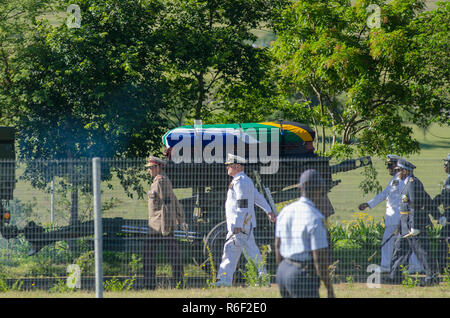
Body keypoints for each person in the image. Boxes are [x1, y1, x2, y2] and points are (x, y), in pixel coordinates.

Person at [215, 154, 277, 287]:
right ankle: (224, 281)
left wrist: (238, 224)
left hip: (240, 226)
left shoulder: (241, 182)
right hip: (240, 225)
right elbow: (257, 197)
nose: (227, 168)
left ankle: (262, 280)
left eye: (229, 165)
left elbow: (242, 204)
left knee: (251, 253)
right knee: (231, 252)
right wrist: (268, 211)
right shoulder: (244, 180)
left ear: (237, 167)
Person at [275, 169, 335, 298]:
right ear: (319, 189)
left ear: (300, 188)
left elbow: (277, 246)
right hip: (301, 274)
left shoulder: (286, 211)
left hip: (283, 270)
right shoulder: (315, 218)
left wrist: (282, 269)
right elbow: (319, 258)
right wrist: (329, 289)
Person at [358, 154, 422, 273]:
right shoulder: (394, 180)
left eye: (390, 166)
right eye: (388, 166)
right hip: (393, 218)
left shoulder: (401, 181)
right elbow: (384, 194)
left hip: (398, 218)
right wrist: (368, 204)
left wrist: (402, 219)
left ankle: (409, 266)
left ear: (397, 166)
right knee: (401, 243)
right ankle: (406, 266)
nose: (389, 169)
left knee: (403, 242)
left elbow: (405, 199)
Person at [389, 159, 439, 285]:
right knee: (400, 250)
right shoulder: (407, 183)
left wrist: (415, 226)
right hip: (405, 224)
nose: (397, 173)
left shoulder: (412, 183)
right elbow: (427, 199)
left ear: (405, 171)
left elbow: (415, 205)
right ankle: (395, 276)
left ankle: (431, 278)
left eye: (399, 170)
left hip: (413, 225)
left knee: (422, 251)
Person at [143, 156, 188, 289]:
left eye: (151, 168)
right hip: (158, 226)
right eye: (149, 168)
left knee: (150, 255)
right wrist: (180, 219)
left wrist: (166, 227)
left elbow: (168, 204)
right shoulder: (159, 181)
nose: (149, 170)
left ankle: (151, 285)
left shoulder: (160, 182)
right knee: (170, 254)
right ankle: (177, 283)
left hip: (160, 227)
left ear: (158, 167)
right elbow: (175, 201)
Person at [432, 154, 450, 273]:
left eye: (447, 163)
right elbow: (443, 197)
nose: (444, 165)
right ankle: (444, 269)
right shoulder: (447, 180)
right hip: (447, 214)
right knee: (442, 243)